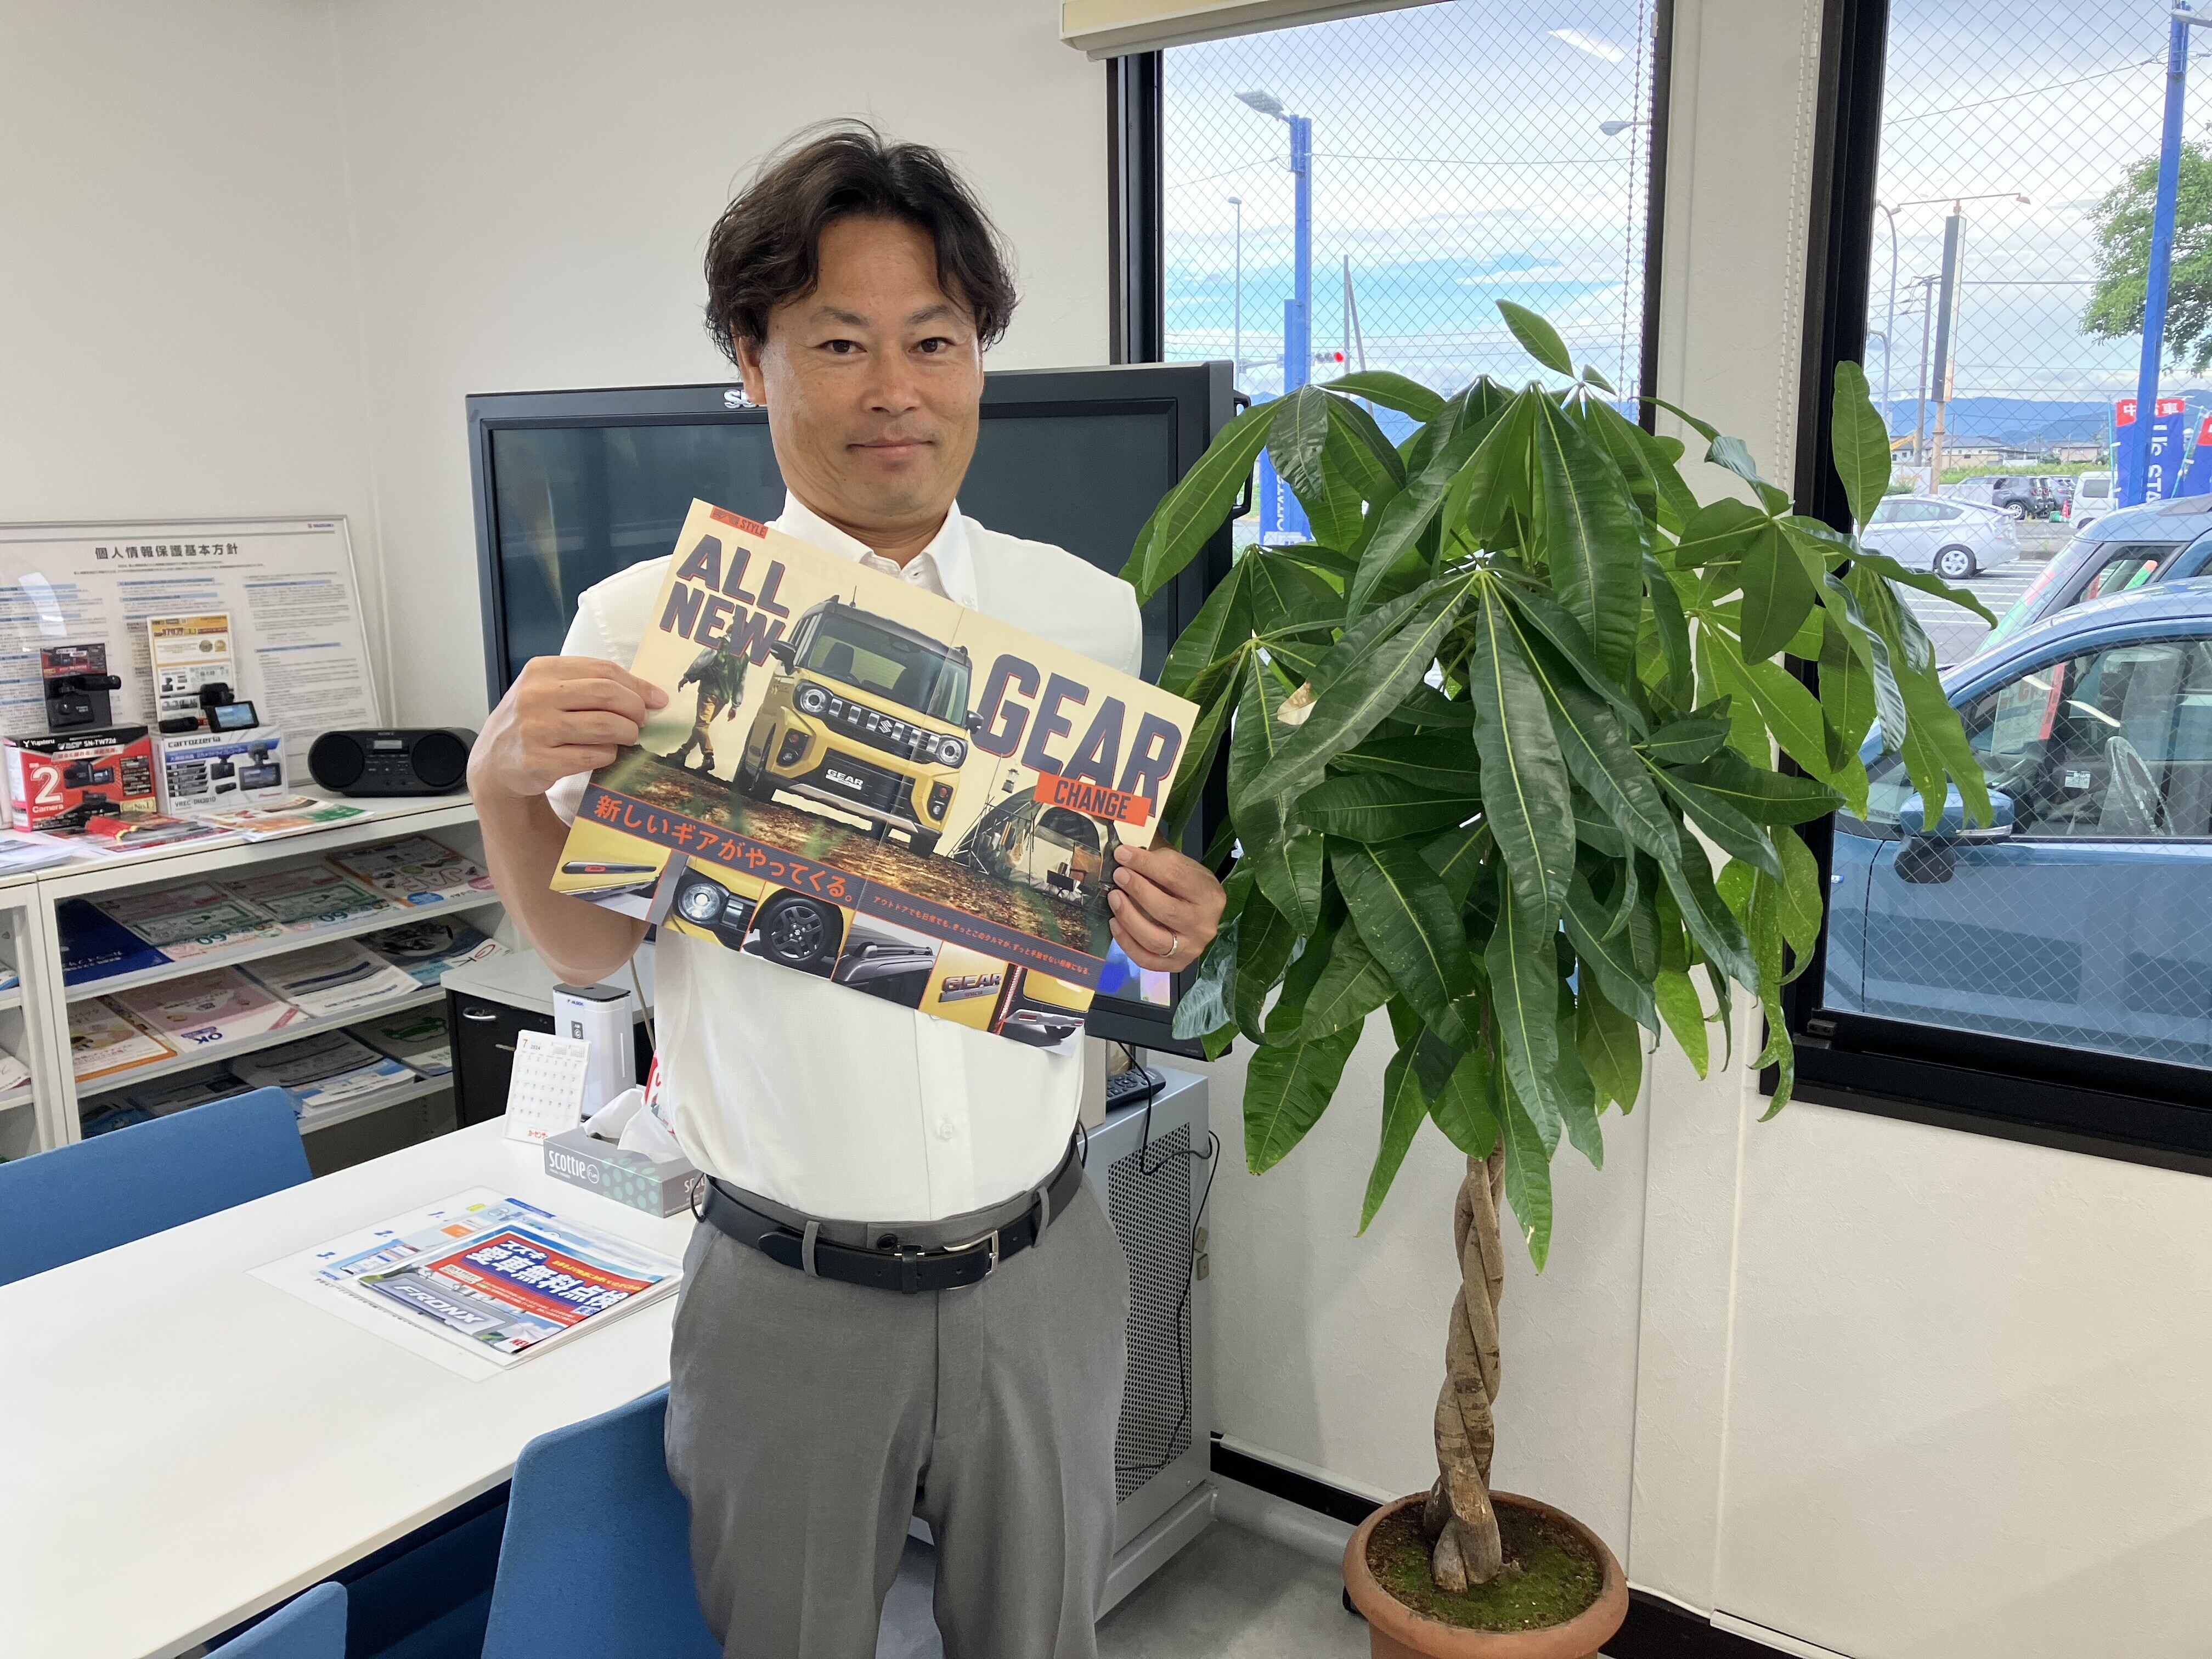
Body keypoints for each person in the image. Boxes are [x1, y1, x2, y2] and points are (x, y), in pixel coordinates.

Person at [466, 124, 1227, 1659]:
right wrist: (500, 788)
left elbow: (1084, 932)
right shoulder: (645, 623)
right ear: (752, 361)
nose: (896, 389)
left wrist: (1169, 926)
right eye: (839, 342)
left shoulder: (1084, 615)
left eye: (934, 341)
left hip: (1044, 1262)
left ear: (979, 358)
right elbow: (592, 948)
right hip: (783, 1295)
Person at [664, 642, 746, 773]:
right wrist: (735, 705)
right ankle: (683, 753)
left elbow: (701, 661)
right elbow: (741, 682)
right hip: (724, 698)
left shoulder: (720, 644)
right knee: (702, 727)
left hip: (709, 691)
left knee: (701, 726)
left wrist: (687, 677)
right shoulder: (744, 657)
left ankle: (708, 757)